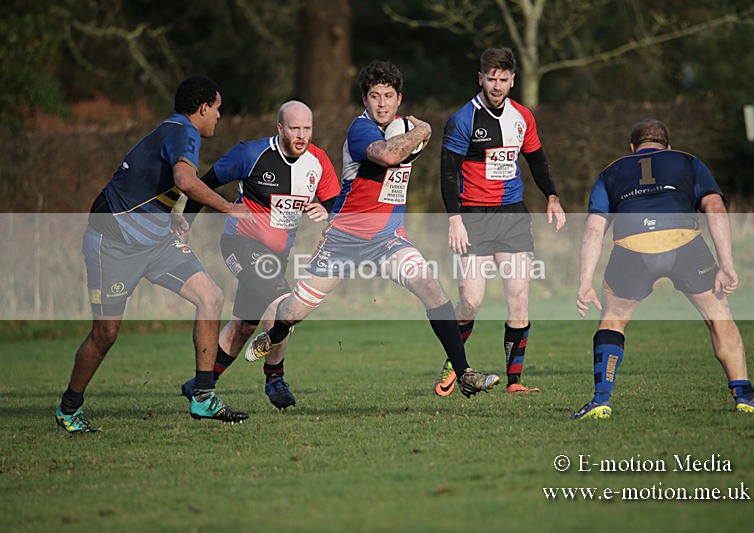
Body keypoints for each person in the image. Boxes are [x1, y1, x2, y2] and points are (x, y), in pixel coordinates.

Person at [245, 60, 501, 397]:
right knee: (293, 312)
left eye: (388, 96)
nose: (381, 103)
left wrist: (419, 129)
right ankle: (274, 336)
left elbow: (412, 141)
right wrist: (423, 131)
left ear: (399, 99)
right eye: (374, 96)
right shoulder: (360, 130)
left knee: (431, 287)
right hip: (344, 241)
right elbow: (388, 156)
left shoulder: (405, 126)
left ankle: (464, 372)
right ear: (364, 100)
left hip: (389, 240)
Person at [55, 76, 252, 432]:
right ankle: (69, 408)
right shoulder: (184, 132)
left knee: (211, 296)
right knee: (106, 334)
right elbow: (185, 180)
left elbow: (153, 184)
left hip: (155, 241)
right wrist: (228, 208)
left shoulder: (174, 132)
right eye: (218, 109)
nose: (219, 117)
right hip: (113, 240)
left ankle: (204, 397)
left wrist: (171, 216)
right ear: (203, 108)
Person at [571, 118, 754, 419]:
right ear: (668, 146)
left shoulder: (611, 171)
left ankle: (601, 400)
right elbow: (716, 208)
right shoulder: (688, 161)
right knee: (720, 319)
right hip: (685, 245)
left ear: (632, 148)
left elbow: (593, 229)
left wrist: (585, 282)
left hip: (632, 249)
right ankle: (744, 396)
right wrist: (726, 265)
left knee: (612, 322)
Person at [177, 100, 341, 409]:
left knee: (244, 326)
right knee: (285, 305)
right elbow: (204, 184)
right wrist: (185, 223)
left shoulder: (318, 162)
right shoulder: (251, 154)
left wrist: (326, 208)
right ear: (280, 128)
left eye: (307, 128)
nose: (302, 135)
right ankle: (275, 377)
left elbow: (337, 203)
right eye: (295, 128)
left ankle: (200, 385)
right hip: (241, 244)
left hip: (277, 255)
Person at [434, 47, 566, 396]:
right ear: (480, 78)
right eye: (490, 79)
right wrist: (455, 219)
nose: (496, 86)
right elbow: (447, 174)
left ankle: (515, 381)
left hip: (512, 217)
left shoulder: (522, 117)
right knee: (471, 300)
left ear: (512, 80)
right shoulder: (463, 120)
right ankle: (455, 363)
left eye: (503, 79)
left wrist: (552, 196)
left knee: (519, 295)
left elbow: (537, 160)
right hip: (474, 217)